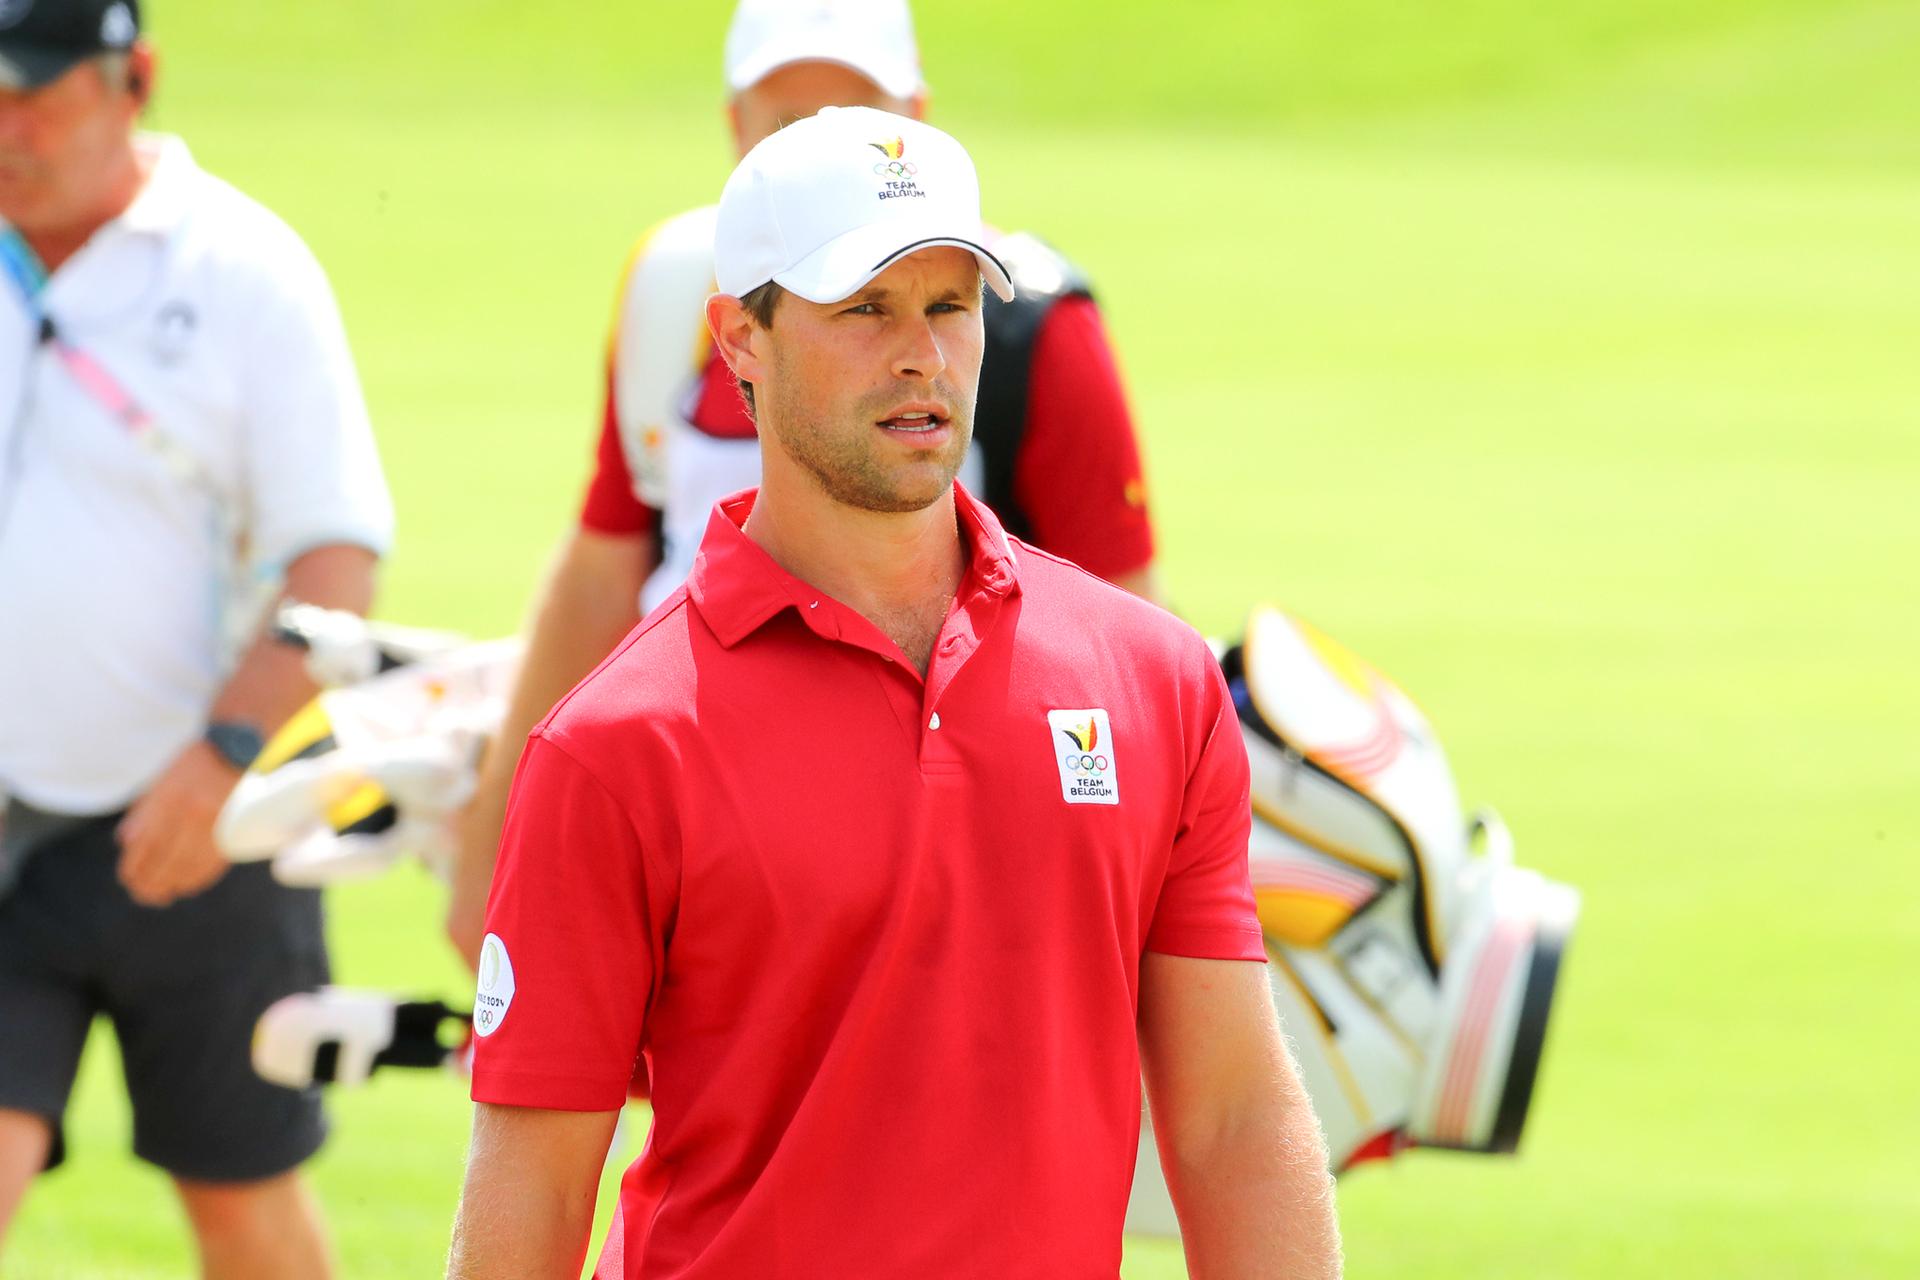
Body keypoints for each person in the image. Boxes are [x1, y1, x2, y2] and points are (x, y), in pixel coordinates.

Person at [446, 107, 1340, 1279]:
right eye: (864, 307)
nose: (919, 353)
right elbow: (535, 1184)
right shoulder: (613, 747)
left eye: (949, 304)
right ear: (740, 338)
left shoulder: (1156, 682)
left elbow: (1231, 1120)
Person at [445, 0, 1161, 969]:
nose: (835, 159)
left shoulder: (1037, 326)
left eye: (865, 119)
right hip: (688, 819)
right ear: (736, 131)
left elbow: (1121, 656)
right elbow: (601, 570)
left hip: (942, 855)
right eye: (789, 128)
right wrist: (495, 851)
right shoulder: (670, 294)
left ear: (919, 114)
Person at [0, 3, 392, 1274]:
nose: (7, 130)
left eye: (35, 94)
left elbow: (334, 555)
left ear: (135, 83)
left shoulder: (243, 271)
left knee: (239, 1196)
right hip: (10, 832)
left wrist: (225, 754)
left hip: (207, 821)